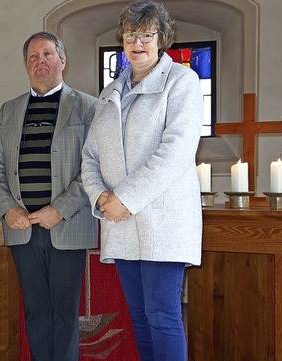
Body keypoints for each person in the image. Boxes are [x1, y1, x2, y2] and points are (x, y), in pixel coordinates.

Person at [80, 1, 203, 360]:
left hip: (162, 221)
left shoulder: (182, 82)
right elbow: (90, 155)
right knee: (138, 315)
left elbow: (176, 151)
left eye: (146, 34)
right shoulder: (110, 92)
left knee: (163, 316)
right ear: (122, 40)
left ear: (161, 39)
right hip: (119, 221)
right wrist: (101, 197)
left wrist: (124, 199)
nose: (138, 42)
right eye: (131, 34)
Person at [0, 31, 98, 361]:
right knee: (35, 313)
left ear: (62, 60)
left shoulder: (87, 107)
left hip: (67, 226)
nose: (40, 62)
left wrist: (60, 209)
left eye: (47, 54)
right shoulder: (9, 110)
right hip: (22, 228)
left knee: (65, 315)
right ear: (26, 65)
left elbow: (93, 167)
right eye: (33, 57)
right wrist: (8, 210)